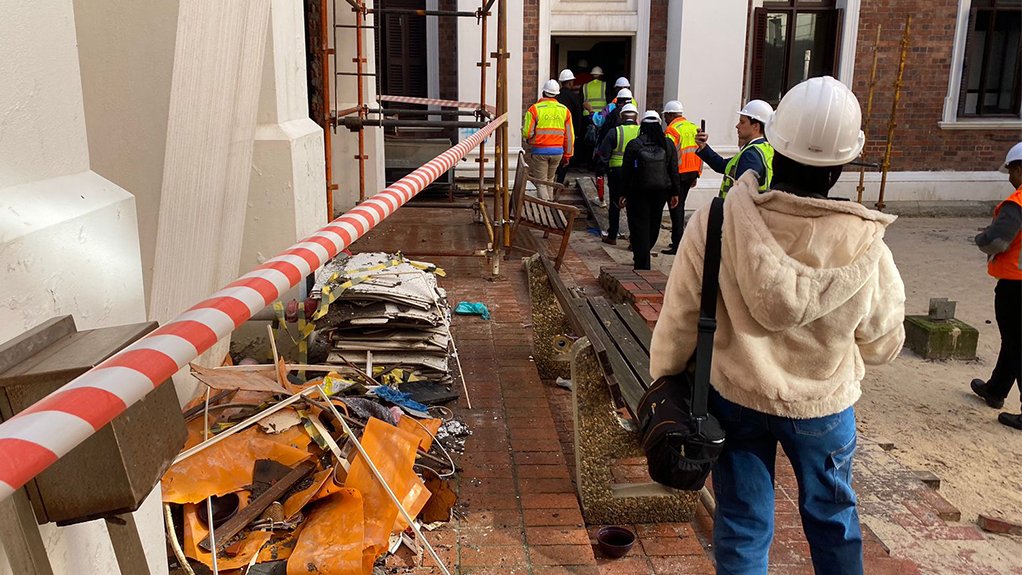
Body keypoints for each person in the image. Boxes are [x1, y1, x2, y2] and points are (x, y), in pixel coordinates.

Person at [650, 76, 905, 575]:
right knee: (833, 517)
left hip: (736, 393)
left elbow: (679, 313)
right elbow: (880, 345)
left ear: (773, 143)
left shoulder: (720, 218)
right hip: (823, 406)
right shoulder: (867, 245)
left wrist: (666, 375)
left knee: (743, 520)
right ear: (843, 163)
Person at [970, 140, 1022, 430]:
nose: (1010, 178)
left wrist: (981, 238)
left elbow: (998, 241)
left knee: (1017, 343)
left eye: (1011, 171)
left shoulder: (1017, 203)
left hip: (1016, 285)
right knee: (1013, 341)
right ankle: (996, 390)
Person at [621, 111, 680, 269]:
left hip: (637, 192)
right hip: (660, 192)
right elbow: (673, 170)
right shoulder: (668, 144)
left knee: (639, 226)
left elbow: (626, 171)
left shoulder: (634, 144)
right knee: (654, 224)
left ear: (642, 125)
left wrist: (623, 193)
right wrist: (675, 193)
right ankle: (644, 254)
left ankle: (642, 262)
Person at [696, 99, 774, 198]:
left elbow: (742, 196)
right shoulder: (765, 148)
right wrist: (703, 147)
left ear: (755, 126)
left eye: (742, 122)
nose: (737, 126)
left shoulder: (750, 155)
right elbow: (724, 166)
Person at [594, 103, 640, 245]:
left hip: (617, 172)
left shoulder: (615, 132)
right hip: (635, 172)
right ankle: (634, 239)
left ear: (621, 116)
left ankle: (612, 235)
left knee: (615, 204)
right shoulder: (641, 132)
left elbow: (604, 154)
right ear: (636, 117)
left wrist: (600, 171)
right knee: (634, 206)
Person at [661, 100, 702, 255]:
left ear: (671, 114)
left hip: (678, 174)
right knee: (680, 206)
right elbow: (700, 151)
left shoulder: (672, 130)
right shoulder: (693, 127)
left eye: (666, 116)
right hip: (691, 172)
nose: (665, 119)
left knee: (675, 208)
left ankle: (678, 243)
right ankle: (679, 241)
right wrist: (697, 173)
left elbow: (669, 155)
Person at [521, 79, 574, 200]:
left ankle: (547, 209)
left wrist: (529, 140)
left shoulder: (534, 109)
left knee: (541, 183)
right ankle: (551, 207)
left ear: (543, 92)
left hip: (540, 152)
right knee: (550, 181)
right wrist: (568, 155)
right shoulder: (564, 110)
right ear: (556, 94)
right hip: (558, 153)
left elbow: (528, 133)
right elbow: (569, 136)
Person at [555, 68, 585, 183]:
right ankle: (560, 181)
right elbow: (578, 116)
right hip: (569, 131)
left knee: (557, 156)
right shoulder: (574, 97)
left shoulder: (556, 97)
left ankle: (555, 180)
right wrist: (577, 133)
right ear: (570, 82)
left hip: (557, 131)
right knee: (566, 157)